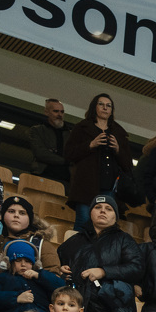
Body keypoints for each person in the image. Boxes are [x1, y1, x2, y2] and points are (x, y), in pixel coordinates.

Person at [56, 194, 141, 312]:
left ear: (115, 216)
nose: (103, 211)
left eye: (108, 209)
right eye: (98, 207)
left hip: (109, 311)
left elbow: (136, 268)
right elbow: (62, 263)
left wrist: (103, 271)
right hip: (79, 311)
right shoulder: (74, 242)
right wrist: (62, 270)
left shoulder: (124, 239)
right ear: (90, 212)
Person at [64, 95, 133, 235]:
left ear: (112, 110)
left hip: (110, 186)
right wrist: (90, 145)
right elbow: (68, 154)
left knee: (106, 225)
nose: (105, 108)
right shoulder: (81, 128)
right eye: (101, 104)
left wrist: (118, 150)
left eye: (108, 105)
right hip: (85, 185)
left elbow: (128, 165)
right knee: (83, 220)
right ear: (94, 107)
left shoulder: (118, 132)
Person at [27, 98, 70, 185]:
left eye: (62, 112)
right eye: (56, 111)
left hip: (66, 179)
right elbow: (40, 153)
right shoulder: (37, 130)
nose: (59, 114)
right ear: (47, 112)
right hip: (43, 175)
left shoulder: (70, 134)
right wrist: (66, 161)